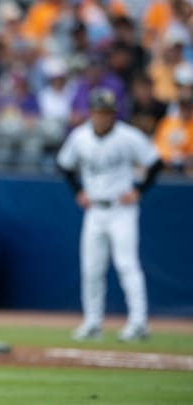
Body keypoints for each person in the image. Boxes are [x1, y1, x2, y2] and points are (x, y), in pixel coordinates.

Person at [57, 88, 163, 342]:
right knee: (91, 269)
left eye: (107, 112)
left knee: (127, 265)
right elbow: (64, 165)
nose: (103, 117)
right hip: (95, 209)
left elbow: (156, 162)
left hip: (121, 210)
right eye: (98, 112)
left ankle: (138, 323)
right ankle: (92, 322)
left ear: (114, 114)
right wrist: (78, 190)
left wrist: (138, 190)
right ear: (91, 113)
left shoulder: (127, 136)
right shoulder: (80, 137)